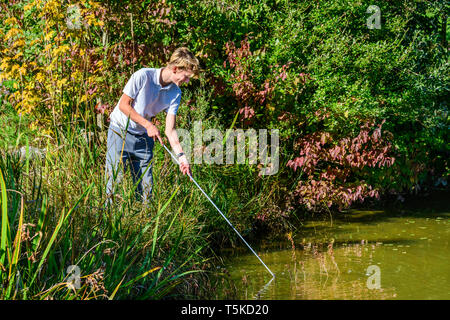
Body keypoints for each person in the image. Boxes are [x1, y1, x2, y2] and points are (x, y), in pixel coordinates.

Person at [105, 47, 199, 205]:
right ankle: (107, 223)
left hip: (143, 139)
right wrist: (148, 125)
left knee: (146, 191)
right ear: (175, 69)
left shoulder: (175, 93)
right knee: (114, 183)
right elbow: (123, 105)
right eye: (186, 77)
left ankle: (144, 224)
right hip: (119, 132)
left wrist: (182, 157)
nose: (187, 81)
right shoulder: (143, 75)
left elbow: (170, 130)